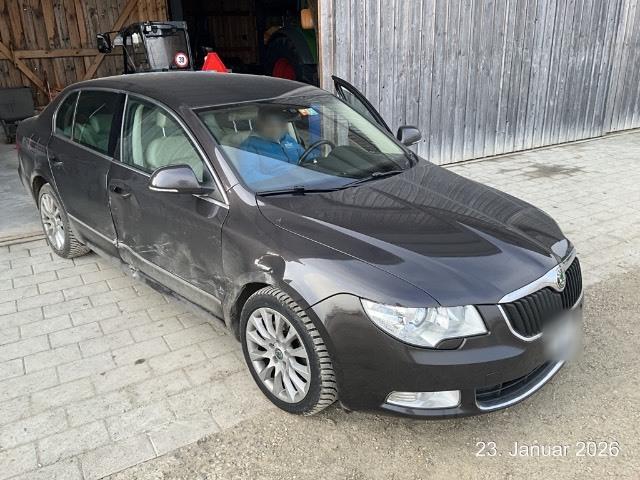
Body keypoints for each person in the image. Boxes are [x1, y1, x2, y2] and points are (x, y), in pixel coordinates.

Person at [241, 107, 305, 164]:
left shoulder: (287, 138)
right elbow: (249, 172)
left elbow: (306, 157)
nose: (277, 129)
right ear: (261, 125)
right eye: (271, 125)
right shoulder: (250, 146)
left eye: (281, 124)